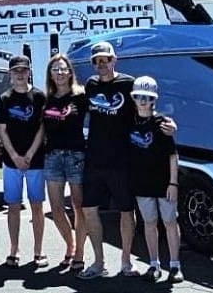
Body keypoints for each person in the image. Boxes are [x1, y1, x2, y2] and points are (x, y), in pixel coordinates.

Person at [77, 41, 177, 280]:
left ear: (114, 60)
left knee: (125, 211)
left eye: (106, 59)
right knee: (89, 210)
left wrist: (169, 123)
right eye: (97, 61)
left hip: (122, 161)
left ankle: (125, 262)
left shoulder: (128, 84)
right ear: (93, 64)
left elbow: (147, 106)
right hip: (94, 160)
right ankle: (99, 262)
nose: (102, 64)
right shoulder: (90, 86)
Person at [129, 75, 184, 283]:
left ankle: (175, 265)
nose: (143, 100)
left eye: (148, 97)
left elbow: (173, 155)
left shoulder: (162, 123)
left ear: (154, 99)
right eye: (139, 96)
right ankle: (154, 264)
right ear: (134, 98)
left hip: (164, 183)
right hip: (142, 183)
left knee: (170, 221)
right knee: (149, 223)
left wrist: (173, 183)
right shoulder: (129, 122)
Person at [0, 55, 48, 268]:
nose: (19, 74)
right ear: (10, 73)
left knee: (36, 206)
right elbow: (2, 131)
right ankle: (14, 250)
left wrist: (28, 155)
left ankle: (39, 251)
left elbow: (42, 128)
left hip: (35, 161)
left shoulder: (38, 96)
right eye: (15, 70)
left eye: (23, 70)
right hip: (11, 163)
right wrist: (15, 156)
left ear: (29, 71)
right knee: (14, 205)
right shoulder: (5, 98)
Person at [42, 53, 87, 271]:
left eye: (63, 68)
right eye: (55, 69)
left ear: (70, 72)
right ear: (50, 74)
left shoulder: (80, 97)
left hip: (76, 156)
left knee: (79, 206)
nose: (59, 72)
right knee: (56, 208)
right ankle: (70, 246)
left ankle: (80, 253)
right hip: (52, 157)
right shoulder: (45, 99)